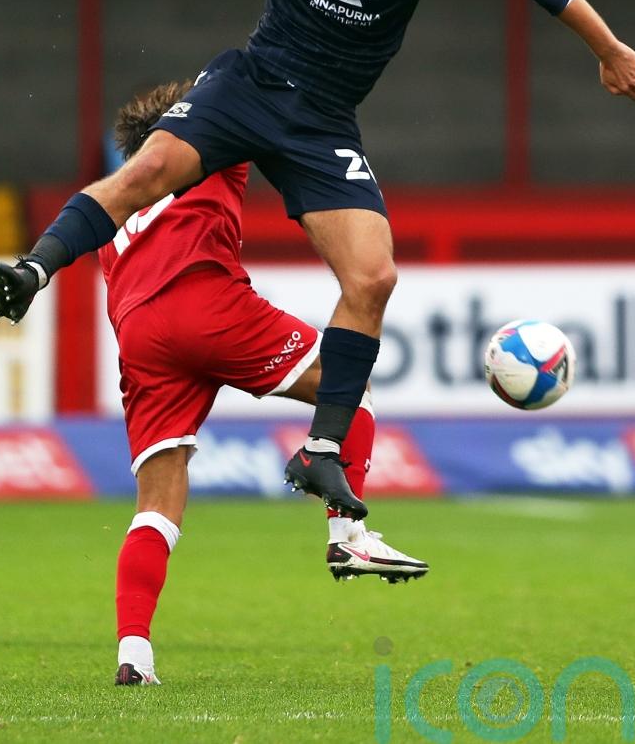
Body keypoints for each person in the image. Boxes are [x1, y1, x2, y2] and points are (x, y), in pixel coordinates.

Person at [0, 0, 635, 520]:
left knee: (373, 276)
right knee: (147, 172)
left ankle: (322, 451)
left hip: (322, 127)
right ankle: (34, 269)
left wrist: (609, 49)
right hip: (250, 88)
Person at [98, 81, 429, 686]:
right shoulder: (206, 148)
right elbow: (250, 96)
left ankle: (134, 654)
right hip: (205, 304)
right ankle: (348, 534)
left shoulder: (116, 206)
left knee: (156, 504)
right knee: (346, 381)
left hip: (139, 336)